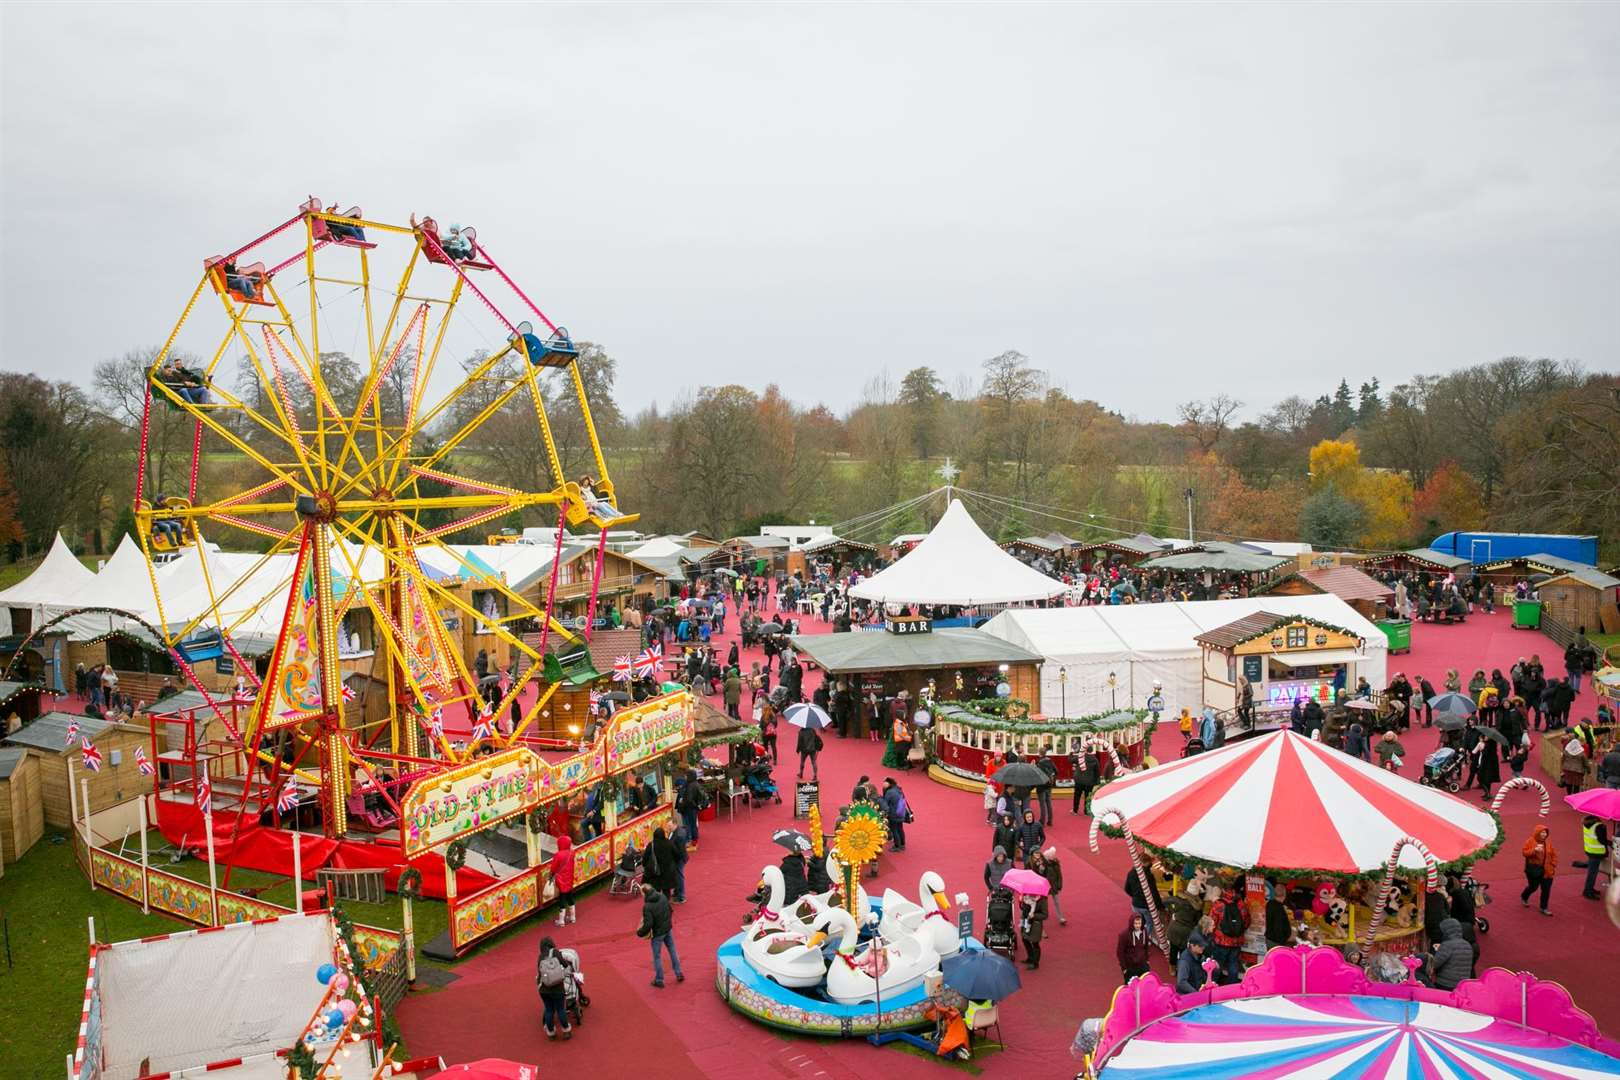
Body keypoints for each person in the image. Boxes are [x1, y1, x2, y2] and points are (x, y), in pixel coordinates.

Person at [637, 883, 684, 987]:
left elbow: (648, 923)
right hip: (667, 929)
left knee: (657, 956)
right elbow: (670, 910)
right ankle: (679, 972)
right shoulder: (662, 896)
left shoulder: (647, 906)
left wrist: (640, 933)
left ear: (645, 893)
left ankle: (659, 979)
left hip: (657, 933)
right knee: (672, 950)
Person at [1208, 885, 1248, 984]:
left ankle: (1213, 984)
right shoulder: (1242, 905)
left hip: (1221, 940)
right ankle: (1232, 986)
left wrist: (1214, 934)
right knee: (1233, 964)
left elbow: (1211, 922)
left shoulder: (1218, 905)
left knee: (1217, 964)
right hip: (1236, 941)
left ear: (1223, 892)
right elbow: (1246, 922)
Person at [536, 936, 574, 1039]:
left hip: (544, 990)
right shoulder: (556, 952)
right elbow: (565, 965)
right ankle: (566, 1030)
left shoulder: (540, 957)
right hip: (557, 988)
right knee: (560, 1009)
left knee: (549, 1010)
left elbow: (539, 974)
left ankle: (551, 1033)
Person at [1426, 918, 1473, 990]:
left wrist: (1433, 953)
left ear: (1446, 931)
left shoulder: (1447, 945)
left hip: (1445, 984)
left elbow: (1435, 964)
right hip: (1462, 984)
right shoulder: (1467, 945)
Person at [1519, 823, 1556, 915]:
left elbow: (1554, 854)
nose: (1544, 834)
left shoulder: (1548, 843)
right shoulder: (1530, 841)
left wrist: (1553, 864)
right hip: (1534, 870)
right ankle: (1524, 896)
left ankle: (1544, 908)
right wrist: (1534, 850)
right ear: (1537, 833)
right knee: (1533, 887)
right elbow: (1525, 853)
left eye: (1545, 832)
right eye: (1542, 832)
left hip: (1547, 871)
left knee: (1546, 890)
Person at [1578, 815, 1611, 900]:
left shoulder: (1587, 823)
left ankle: (1590, 889)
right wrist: (1610, 842)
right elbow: (1602, 840)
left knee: (1592, 872)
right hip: (1597, 852)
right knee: (1592, 873)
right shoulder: (1599, 826)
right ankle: (1587, 891)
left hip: (1590, 850)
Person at [1035, 846, 1067, 925]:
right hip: (1045, 886)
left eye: (1054, 855)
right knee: (1043, 902)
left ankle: (1061, 917)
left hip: (1054, 886)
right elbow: (1040, 875)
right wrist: (1040, 869)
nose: (1054, 856)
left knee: (1056, 902)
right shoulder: (1043, 865)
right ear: (1048, 857)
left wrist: (1059, 885)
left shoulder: (1056, 864)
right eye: (1052, 855)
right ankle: (1042, 914)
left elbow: (1059, 875)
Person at [1116, 912, 1151, 982]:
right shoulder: (1124, 935)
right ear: (1132, 923)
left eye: (1139, 923)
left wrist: (1147, 960)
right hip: (1130, 967)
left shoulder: (1145, 932)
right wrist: (1124, 968)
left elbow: (1146, 947)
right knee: (1131, 988)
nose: (1138, 926)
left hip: (1143, 965)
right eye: (1136, 923)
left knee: (1144, 986)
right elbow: (1120, 952)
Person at [1018, 890, 1048, 969]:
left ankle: (1035, 963)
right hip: (1025, 921)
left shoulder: (1042, 900)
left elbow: (1045, 915)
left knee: (1035, 942)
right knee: (1025, 939)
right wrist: (1021, 902)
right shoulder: (1026, 896)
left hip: (1035, 924)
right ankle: (1030, 957)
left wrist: (1034, 915)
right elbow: (1023, 909)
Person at [552, 834, 577, 926]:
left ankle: (561, 920)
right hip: (569, 878)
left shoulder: (558, 855)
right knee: (570, 897)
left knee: (562, 899)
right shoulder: (572, 853)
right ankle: (572, 917)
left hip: (561, 880)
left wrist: (551, 874)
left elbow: (553, 868)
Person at [881, 777, 910, 851]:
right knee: (900, 828)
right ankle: (902, 844)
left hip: (893, 814)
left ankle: (897, 846)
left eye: (884, 783)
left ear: (888, 783)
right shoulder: (898, 789)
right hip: (901, 812)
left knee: (894, 829)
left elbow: (885, 802)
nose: (883, 784)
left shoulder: (889, 792)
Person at [1071, 746, 1099, 815]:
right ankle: (1086, 811)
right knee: (1087, 796)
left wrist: (1070, 754)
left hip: (1079, 780)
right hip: (1090, 781)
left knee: (1077, 795)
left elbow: (1070, 760)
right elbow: (1097, 772)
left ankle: (1075, 811)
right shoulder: (1095, 759)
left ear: (1085, 750)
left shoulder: (1080, 757)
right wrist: (1095, 781)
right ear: (1092, 751)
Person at [1034, 752, 1057, 825]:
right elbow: (1056, 771)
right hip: (1049, 785)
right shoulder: (1050, 761)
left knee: (1042, 804)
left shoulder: (1039, 763)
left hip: (1041, 785)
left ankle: (1042, 821)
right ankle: (1050, 820)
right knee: (1049, 803)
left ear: (1040, 754)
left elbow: (1036, 773)